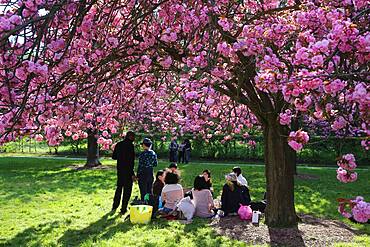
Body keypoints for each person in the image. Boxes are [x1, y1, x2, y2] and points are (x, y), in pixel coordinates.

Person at [112, 131, 136, 215]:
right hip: (128, 171)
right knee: (127, 190)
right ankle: (123, 208)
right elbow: (131, 161)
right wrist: (132, 173)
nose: (134, 139)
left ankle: (114, 206)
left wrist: (120, 156)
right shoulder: (130, 146)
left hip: (120, 170)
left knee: (119, 188)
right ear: (130, 137)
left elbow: (114, 157)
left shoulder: (119, 144)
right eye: (134, 137)